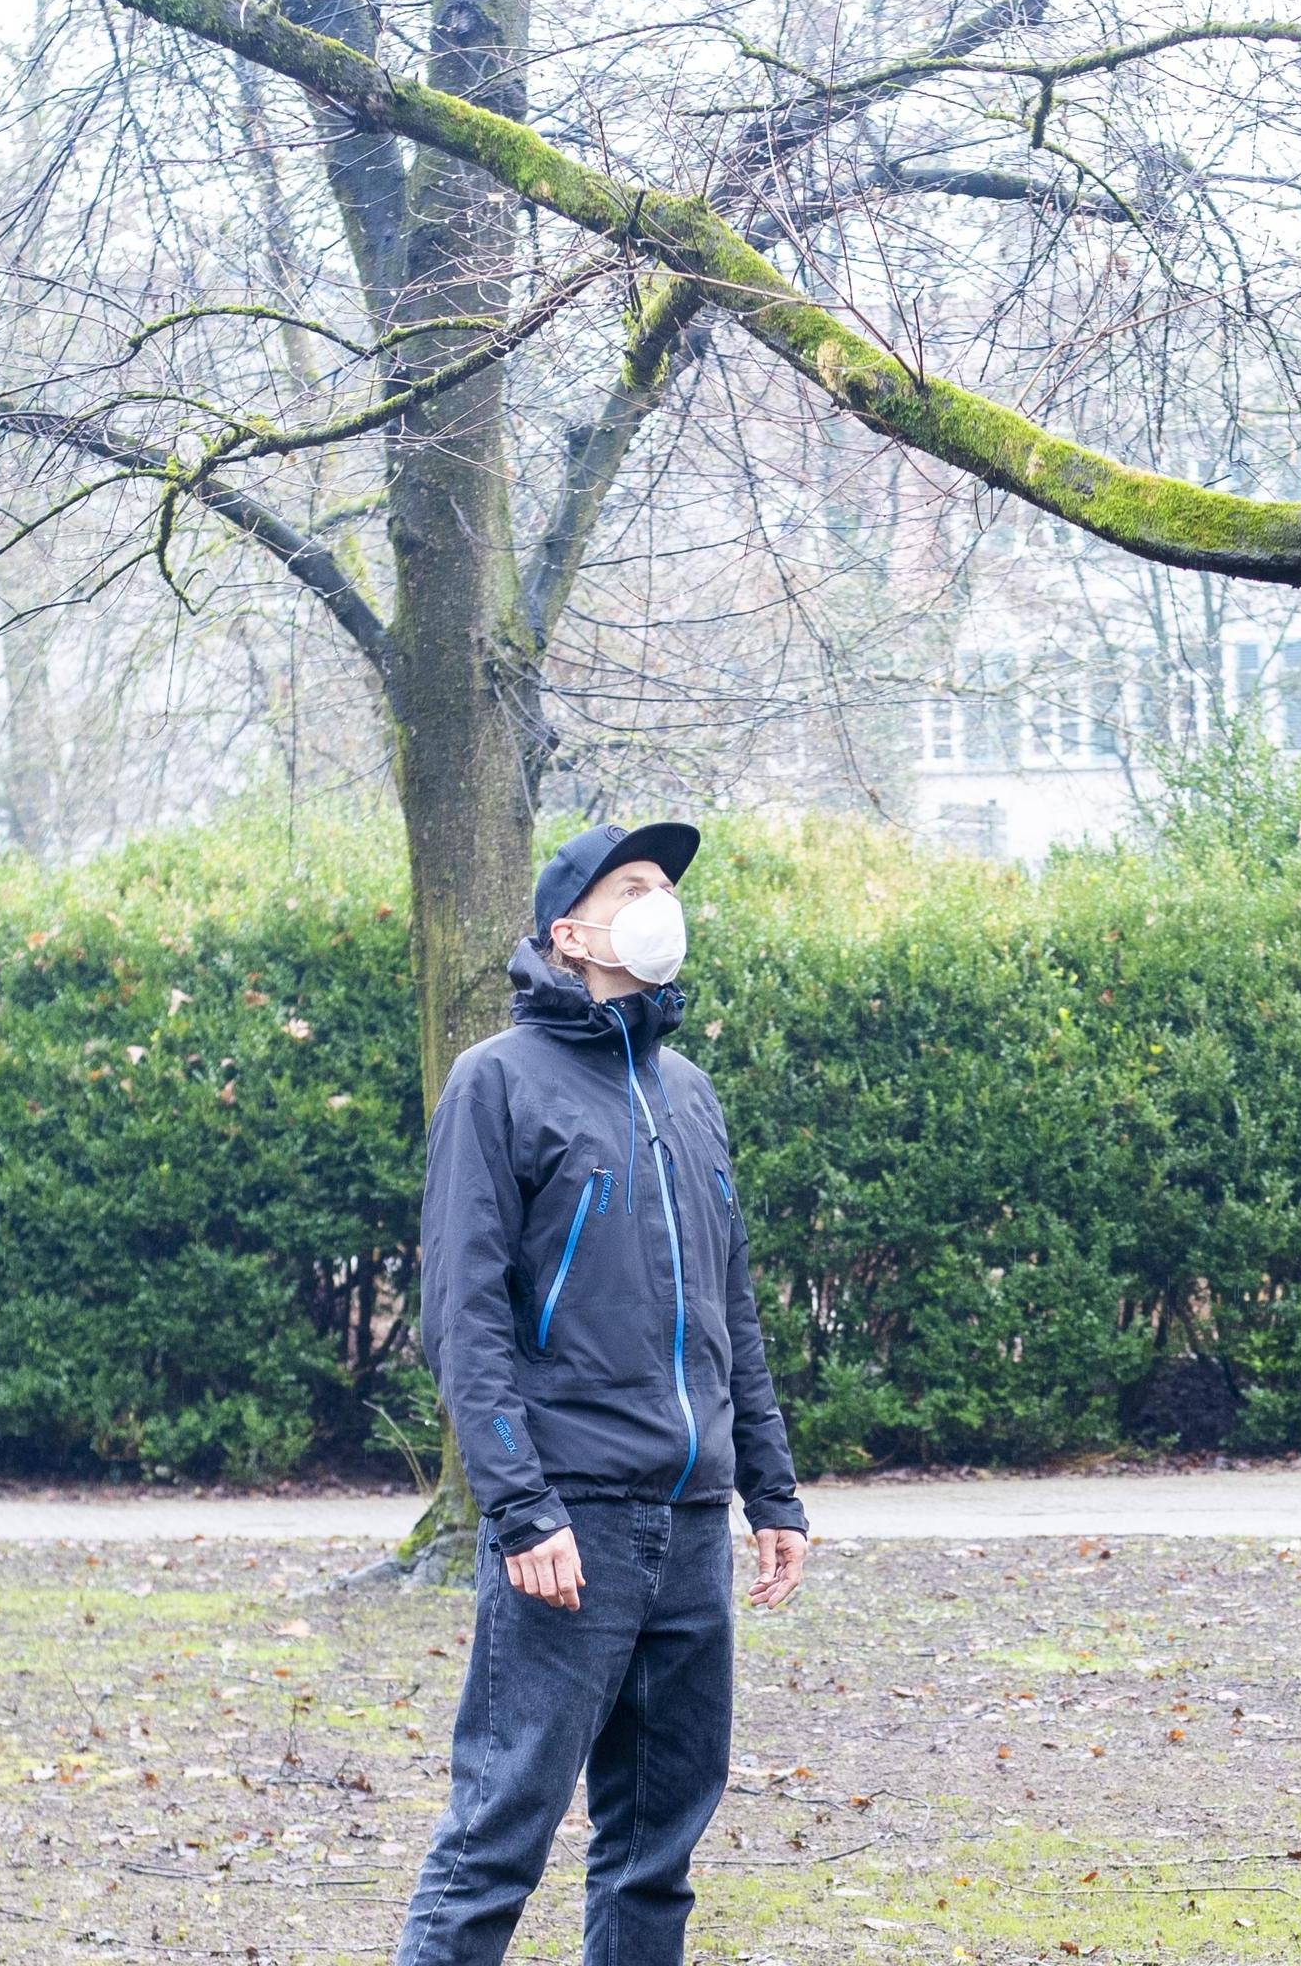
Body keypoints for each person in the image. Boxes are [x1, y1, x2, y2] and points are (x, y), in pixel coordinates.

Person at [396, 821, 808, 1966]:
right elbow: (462, 1316)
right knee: (496, 1839)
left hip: (689, 1527)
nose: (658, 901)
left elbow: (730, 1312)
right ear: (566, 932)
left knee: (655, 1848)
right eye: (633, 884)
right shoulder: (495, 1082)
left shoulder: (690, 1092)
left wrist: (770, 1491)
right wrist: (519, 1506)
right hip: (569, 1527)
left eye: (666, 886)